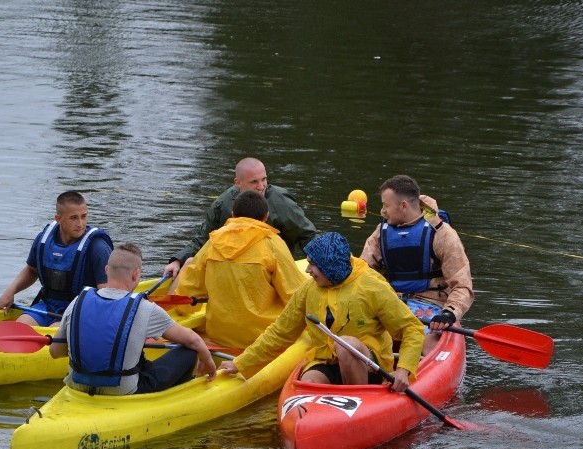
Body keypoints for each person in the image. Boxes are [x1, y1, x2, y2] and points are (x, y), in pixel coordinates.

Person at [219, 232, 425, 393]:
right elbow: (280, 332)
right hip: (326, 360)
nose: (307, 270)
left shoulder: (372, 287)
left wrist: (403, 369)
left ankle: (357, 401)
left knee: (345, 344)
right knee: (308, 382)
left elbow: (412, 328)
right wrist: (241, 363)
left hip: (370, 365)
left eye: (312, 264)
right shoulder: (308, 289)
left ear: (330, 266)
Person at [50, 243, 217, 395]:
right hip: (123, 390)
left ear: (106, 270)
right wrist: (207, 360)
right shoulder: (146, 309)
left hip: (77, 385)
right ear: (136, 274)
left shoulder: (78, 300)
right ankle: (174, 399)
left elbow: (55, 352)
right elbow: (194, 341)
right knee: (189, 351)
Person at [169, 190, 306, 350]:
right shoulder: (273, 244)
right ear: (266, 217)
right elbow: (296, 297)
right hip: (262, 339)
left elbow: (187, 297)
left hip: (220, 336)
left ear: (233, 215)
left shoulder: (212, 242)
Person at [359, 175, 474, 354]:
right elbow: (362, 273)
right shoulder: (380, 233)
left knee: (428, 344)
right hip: (392, 303)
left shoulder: (443, 235)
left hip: (432, 307)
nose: (382, 211)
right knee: (363, 338)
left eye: (386, 206)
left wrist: (449, 313)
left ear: (403, 206)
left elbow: (462, 286)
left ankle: (424, 372)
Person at [163, 157, 317, 279]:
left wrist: (318, 265)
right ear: (238, 183)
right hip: (232, 271)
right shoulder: (222, 204)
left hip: (271, 269)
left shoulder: (281, 202)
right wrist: (178, 260)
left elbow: (307, 235)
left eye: (264, 179)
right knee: (190, 262)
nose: (261, 186)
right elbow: (202, 240)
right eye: (254, 182)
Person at [0, 191, 113, 327]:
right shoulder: (44, 239)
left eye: (84, 216)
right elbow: (31, 271)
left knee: (55, 331)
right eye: (73, 218)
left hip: (80, 310)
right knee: (21, 326)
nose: (80, 224)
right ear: (58, 219)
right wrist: (10, 292)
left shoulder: (98, 247)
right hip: (48, 305)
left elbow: (106, 293)